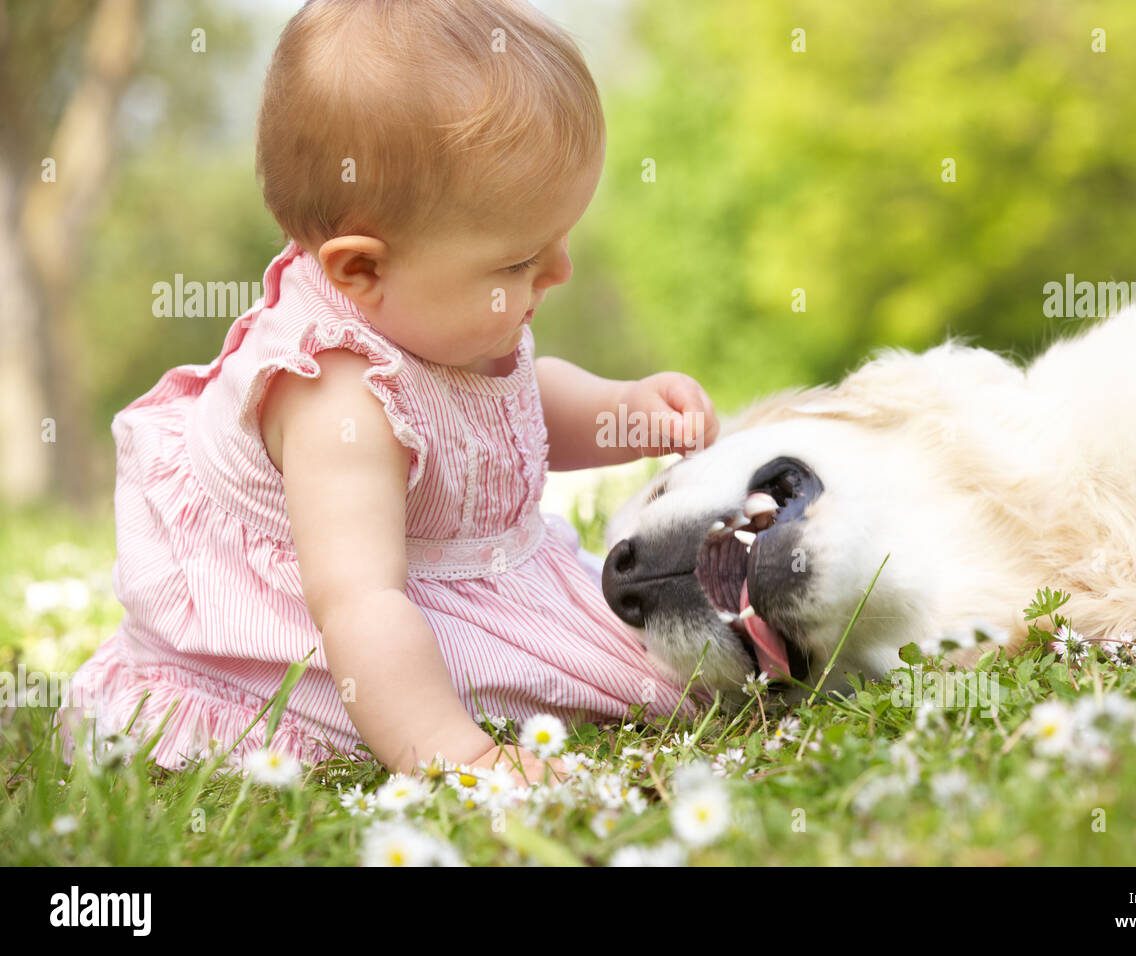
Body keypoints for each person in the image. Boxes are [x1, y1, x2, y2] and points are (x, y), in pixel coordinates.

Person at [57, 0, 719, 785]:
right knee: (639, 684)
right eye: (517, 263)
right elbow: (360, 605)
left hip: (446, 581)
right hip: (331, 643)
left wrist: (624, 415)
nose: (557, 273)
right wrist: (457, 753)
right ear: (360, 270)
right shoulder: (336, 400)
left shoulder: (433, 304)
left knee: (671, 658)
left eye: (560, 238)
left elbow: (514, 409)